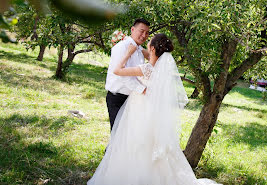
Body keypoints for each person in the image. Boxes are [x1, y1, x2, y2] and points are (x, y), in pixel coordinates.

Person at [88, 34, 221, 185]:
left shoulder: (145, 69)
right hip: (151, 111)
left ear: (152, 48)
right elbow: (148, 54)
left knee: (134, 142)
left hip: (138, 110)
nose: (147, 44)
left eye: (149, 43)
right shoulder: (161, 71)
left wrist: (128, 53)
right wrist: (136, 46)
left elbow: (117, 70)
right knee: (149, 143)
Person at [104, 18, 150, 130]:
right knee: (118, 134)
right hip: (117, 97)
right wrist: (143, 90)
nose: (144, 35)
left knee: (126, 136)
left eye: (147, 33)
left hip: (131, 98)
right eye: (141, 31)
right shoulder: (122, 47)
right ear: (133, 29)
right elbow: (122, 75)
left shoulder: (139, 49)